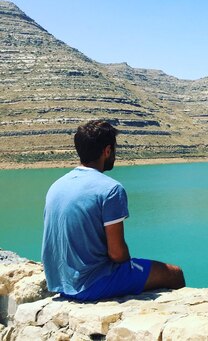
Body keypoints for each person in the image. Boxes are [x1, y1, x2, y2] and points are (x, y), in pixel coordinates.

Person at [41, 120, 185, 301]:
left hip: (61, 282)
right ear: (107, 151)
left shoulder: (57, 185)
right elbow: (117, 254)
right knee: (174, 273)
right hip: (91, 284)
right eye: (114, 150)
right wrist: (131, 271)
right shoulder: (110, 189)